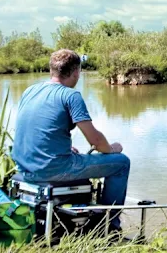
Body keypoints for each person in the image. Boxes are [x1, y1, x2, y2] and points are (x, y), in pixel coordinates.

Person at [11, 49, 129, 232]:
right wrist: (112, 149)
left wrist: (60, 146)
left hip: (25, 167)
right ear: (76, 72)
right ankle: (108, 226)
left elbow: (34, 130)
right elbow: (95, 140)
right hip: (53, 168)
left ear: (51, 70)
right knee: (121, 163)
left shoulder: (30, 91)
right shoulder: (70, 95)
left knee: (81, 156)